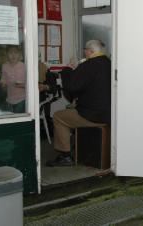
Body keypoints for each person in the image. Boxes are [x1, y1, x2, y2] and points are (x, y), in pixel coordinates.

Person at [46, 39, 111, 167]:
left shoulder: (88, 65)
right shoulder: (109, 63)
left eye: (85, 50)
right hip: (109, 113)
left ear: (90, 51)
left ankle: (65, 155)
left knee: (59, 116)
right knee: (73, 109)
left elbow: (71, 87)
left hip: (94, 116)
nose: (84, 53)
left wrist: (68, 70)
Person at [0, 45, 26, 113]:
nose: (13, 55)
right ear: (7, 54)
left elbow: (30, 85)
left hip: (22, 100)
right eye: (11, 53)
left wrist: (21, 85)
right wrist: (2, 83)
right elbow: (3, 79)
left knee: (18, 120)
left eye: (15, 52)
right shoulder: (4, 66)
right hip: (9, 100)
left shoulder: (24, 66)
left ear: (19, 54)